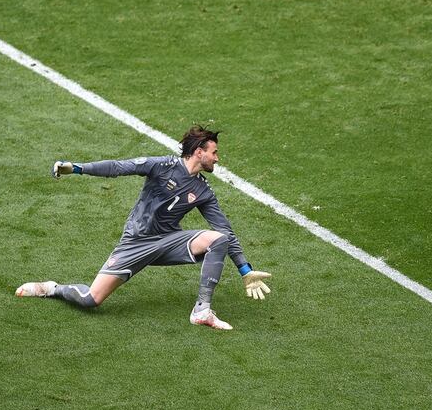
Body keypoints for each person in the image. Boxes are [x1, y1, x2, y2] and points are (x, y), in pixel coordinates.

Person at [16, 125, 271, 330]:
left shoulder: (203, 190)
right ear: (198, 152)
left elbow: (225, 230)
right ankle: (52, 288)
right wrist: (79, 168)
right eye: (214, 152)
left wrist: (245, 270)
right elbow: (118, 167)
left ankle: (202, 310)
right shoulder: (162, 166)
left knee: (218, 239)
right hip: (136, 242)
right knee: (91, 300)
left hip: (168, 242)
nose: (217, 158)